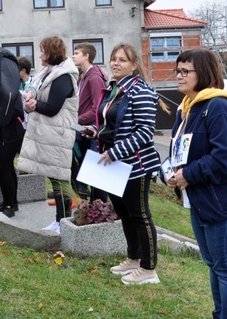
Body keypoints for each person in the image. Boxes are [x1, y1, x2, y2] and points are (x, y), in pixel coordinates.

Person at [166, 48, 227, 319]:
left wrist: (188, 174)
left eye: (185, 71)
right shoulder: (186, 110)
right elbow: (182, 151)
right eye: (177, 70)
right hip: (200, 201)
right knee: (214, 265)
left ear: (201, 73)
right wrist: (172, 172)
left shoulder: (219, 107)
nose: (178, 76)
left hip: (223, 204)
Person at [84, 43, 163, 285]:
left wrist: (116, 151)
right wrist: (96, 132)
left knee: (140, 215)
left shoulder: (141, 92)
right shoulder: (113, 89)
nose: (116, 63)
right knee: (124, 213)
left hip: (135, 165)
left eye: (123, 60)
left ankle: (149, 269)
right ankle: (134, 258)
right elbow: (114, 125)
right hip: (112, 163)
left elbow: (144, 132)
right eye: (114, 59)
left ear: (134, 65)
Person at [18, 36, 79, 234]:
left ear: (52, 53)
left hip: (58, 136)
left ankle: (63, 222)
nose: (40, 55)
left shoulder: (63, 76)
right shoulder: (50, 73)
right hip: (50, 135)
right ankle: (59, 221)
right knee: (55, 179)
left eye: (43, 51)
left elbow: (52, 108)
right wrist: (31, 100)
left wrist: (34, 105)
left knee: (60, 180)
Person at [0, 56, 30, 217]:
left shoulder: (10, 86)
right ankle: (11, 202)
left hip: (11, 133)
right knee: (5, 168)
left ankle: (9, 205)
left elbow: (17, 111)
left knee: (3, 167)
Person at [72, 42, 108, 200]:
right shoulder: (83, 77)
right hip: (84, 130)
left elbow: (97, 108)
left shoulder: (94, 78)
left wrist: (76, 120)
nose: (73, 56)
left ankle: (100, 208)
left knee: (96, 176)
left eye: (76, 53)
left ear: (87, 56)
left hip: (92, 132)